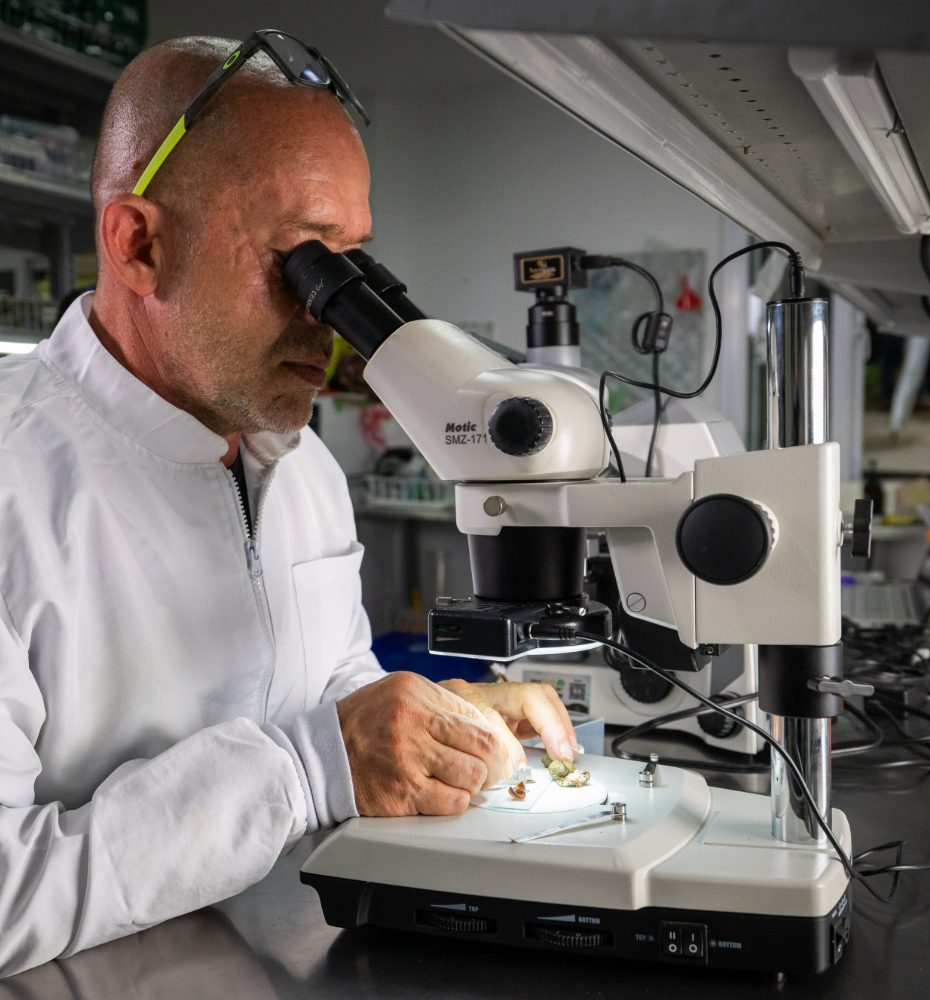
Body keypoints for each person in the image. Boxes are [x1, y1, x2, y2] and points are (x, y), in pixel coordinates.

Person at [0, 33, 578, 978]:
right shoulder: (12, 483)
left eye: (351, 267)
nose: (333, 319)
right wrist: (311, 767)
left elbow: (332, 694)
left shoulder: (299, 464)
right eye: (301, 263)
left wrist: (433, 725)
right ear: (140, 244)